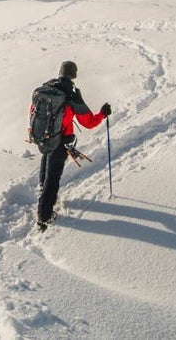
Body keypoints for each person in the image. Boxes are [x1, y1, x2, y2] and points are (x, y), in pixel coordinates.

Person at [35, 61, 111, 231]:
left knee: (46, 167)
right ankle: (44, 217)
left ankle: (42, 196)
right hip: (60, 140)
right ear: (74, 75)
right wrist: (103, 113)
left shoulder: (46, 88)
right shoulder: (71, 94)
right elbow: (89, 122)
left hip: (44, 137)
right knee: (53, 178)